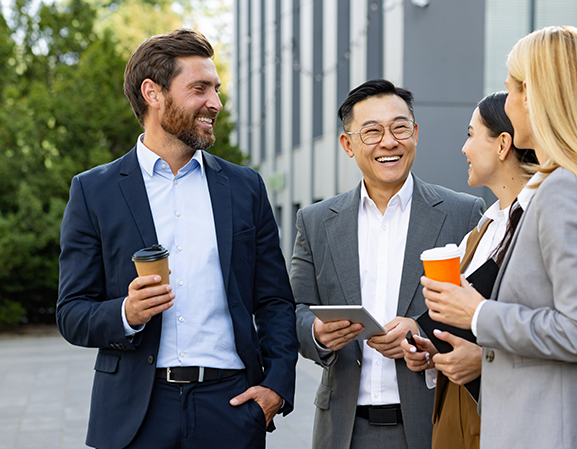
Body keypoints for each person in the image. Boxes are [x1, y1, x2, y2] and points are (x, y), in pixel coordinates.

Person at [56, 29, 297, 449]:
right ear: (153, 93)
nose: (216, 104)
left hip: (231, 407)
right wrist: (127, 312)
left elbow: (274, 300)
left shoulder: (245, 187)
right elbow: (72, 312)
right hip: (135, 413)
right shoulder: (93, 191)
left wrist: (276, 385)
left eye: (217, 90)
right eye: (200, 89)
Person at [420, 26, 577, 448]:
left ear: (533, 95)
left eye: (509, 89)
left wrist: (478, 314)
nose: (506, 102)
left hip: (553, 432)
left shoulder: (565, 192)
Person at [291, 79, 485, 449]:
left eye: (399, 128)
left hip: (434, 422)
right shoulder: (315, 222)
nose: (389, 142)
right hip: (345, 430)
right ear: (348, 145)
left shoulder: (463, 213)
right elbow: (293, 311)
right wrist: (317, 332)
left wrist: (423, 331)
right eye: (372, 132)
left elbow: (482, 312)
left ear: (415, 133)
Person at [400, 91, 536, 449]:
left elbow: (571, 328)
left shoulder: (544, 218)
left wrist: (487, 363)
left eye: (472, 134)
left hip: (507, 419)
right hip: (454, 414)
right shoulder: (484, 228)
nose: (464, 148)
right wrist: (434, 348)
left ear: (503, 144)